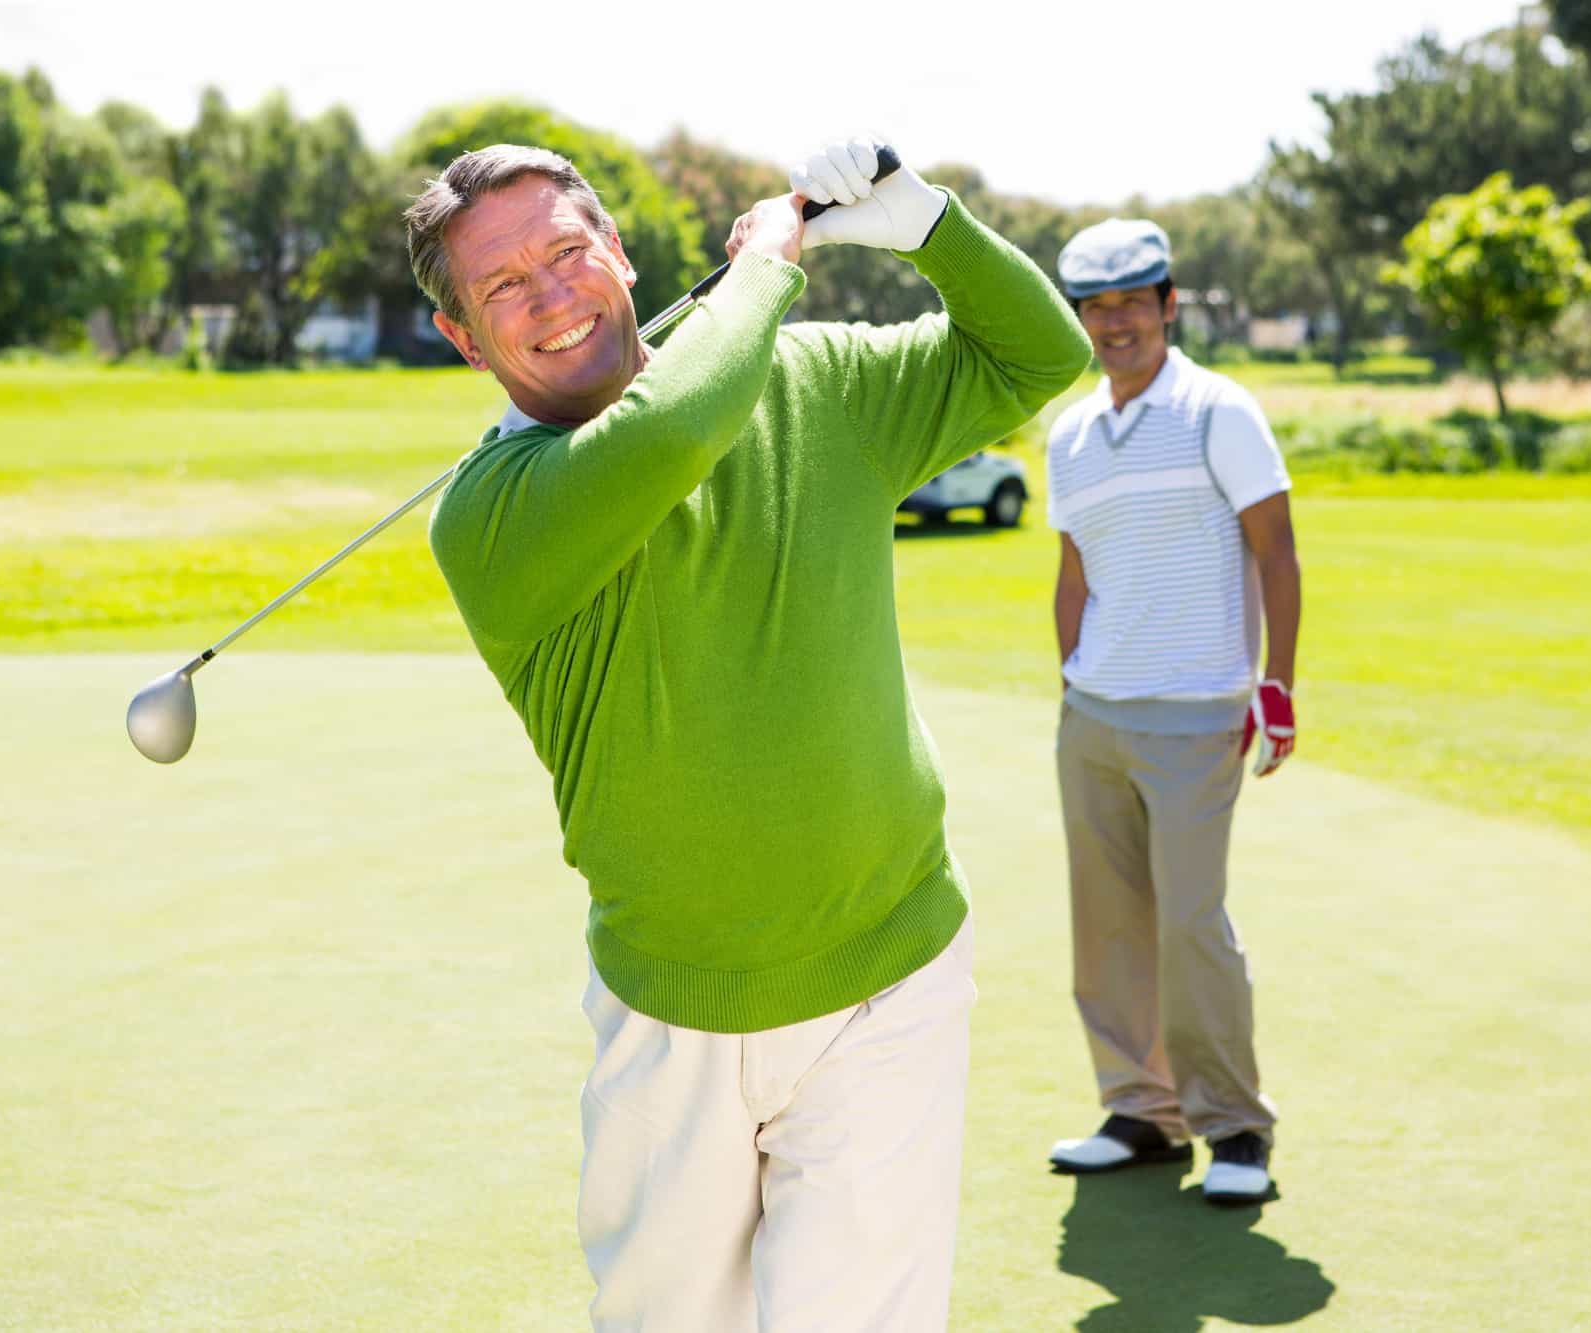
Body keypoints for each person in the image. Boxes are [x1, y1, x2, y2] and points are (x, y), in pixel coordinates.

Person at [405, 137, 1089, 1329]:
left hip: (890, 970)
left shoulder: (811, 382)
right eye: (503, 287)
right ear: (464, 339)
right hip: (673, 1020)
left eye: (568, 253)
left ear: (618, 253)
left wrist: (929, 224)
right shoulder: (490, 517)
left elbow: (1044, 352)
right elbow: (672, 434)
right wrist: (765, 270)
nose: (553, 296)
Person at [1041, 218, 1301, 1205]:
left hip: (1195, 712)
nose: (1113, 323)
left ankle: (1234, 1128)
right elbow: (1073, 569)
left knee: (1191, 926)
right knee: (1105, 928)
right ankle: (1141, 1114)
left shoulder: (1216, 412)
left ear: (1167, 305)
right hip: (1096, 716)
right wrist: (1072, 679)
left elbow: (1275, 549)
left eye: (1131, 303)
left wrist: (1275, 685)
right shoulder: (1069, 431)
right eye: (1095, 306)